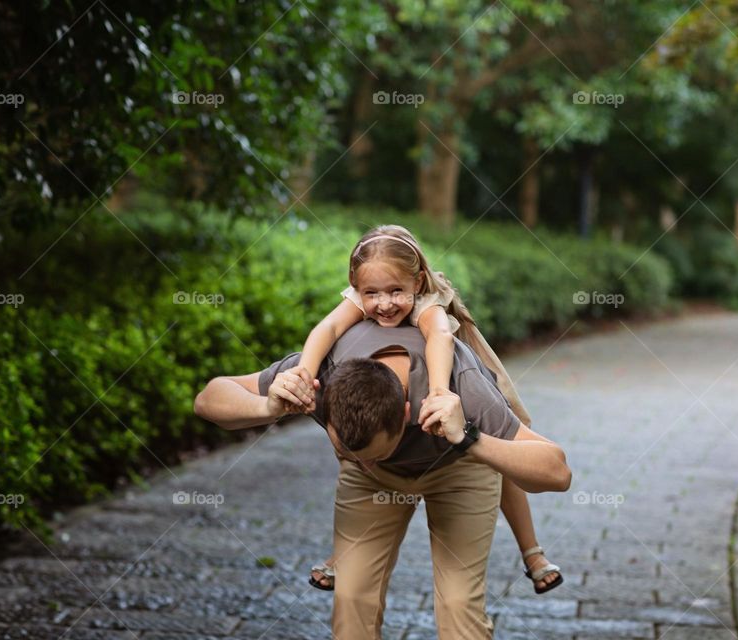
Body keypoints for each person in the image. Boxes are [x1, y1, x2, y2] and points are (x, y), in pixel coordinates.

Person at [194, 319, 571, 638]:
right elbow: (208, 398)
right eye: (346, 452)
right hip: (374, 486)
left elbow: (558, 472)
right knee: (352, 601)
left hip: (458, 468)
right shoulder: (321, 373)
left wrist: (469, 438)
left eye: (374, 455)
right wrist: (266, 405)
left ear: (407, 413)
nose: (363, 462)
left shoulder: (463, 386)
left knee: (460, 608)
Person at [293, 225, 563, 595]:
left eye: (395, 292)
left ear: (417, 282)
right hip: (386, 385)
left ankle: (532, 551)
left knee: (504, 452)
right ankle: (345, 554)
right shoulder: (365, 294)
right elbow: (328, 327)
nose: (384, 303)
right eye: (372, 293)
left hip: (457, 375)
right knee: (359, 441)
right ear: (356, 285)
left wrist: (438, 391)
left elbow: (440, 337)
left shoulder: (426, 302)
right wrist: (304, 373)